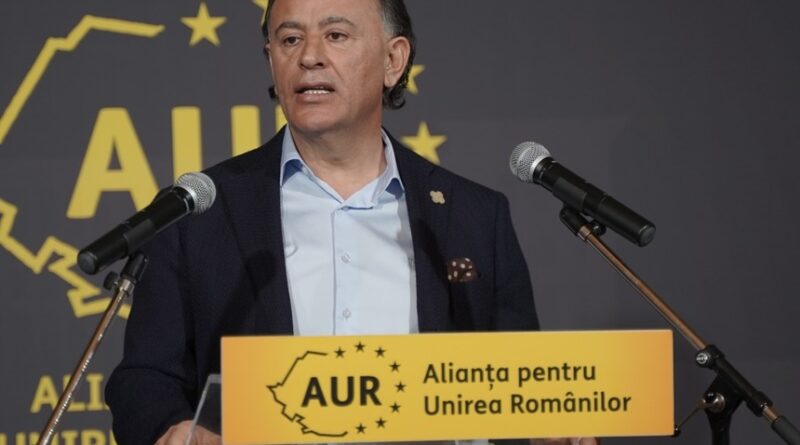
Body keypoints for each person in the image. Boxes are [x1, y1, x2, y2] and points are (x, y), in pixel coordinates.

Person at [105, 1, 595, 444]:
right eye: (289, 39)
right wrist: (173, 429)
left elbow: (518, 385)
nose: (309, 56)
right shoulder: (198, 214)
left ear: (393, 60)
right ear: (272, 60)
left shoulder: (474, 216)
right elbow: (143, 379)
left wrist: (548, 431)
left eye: (336, 35)